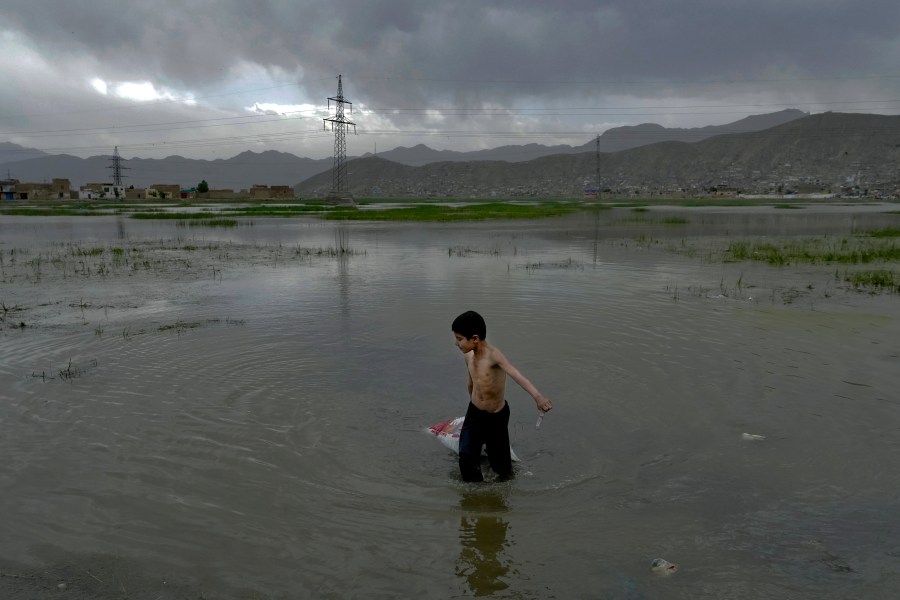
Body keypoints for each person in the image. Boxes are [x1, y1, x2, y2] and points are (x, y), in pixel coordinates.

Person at [451, 310, 553, 482]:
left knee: (502, 467)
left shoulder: (494, 356)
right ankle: (475, 494)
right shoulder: (468, 357)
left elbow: (517, 375)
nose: (456, 343)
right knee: (466, 455)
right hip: (475, 413)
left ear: (475, 339)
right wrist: (473, 409)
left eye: (459, 339)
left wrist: (538, 398)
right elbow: (471, 383)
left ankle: (500, 483)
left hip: (496, 416)